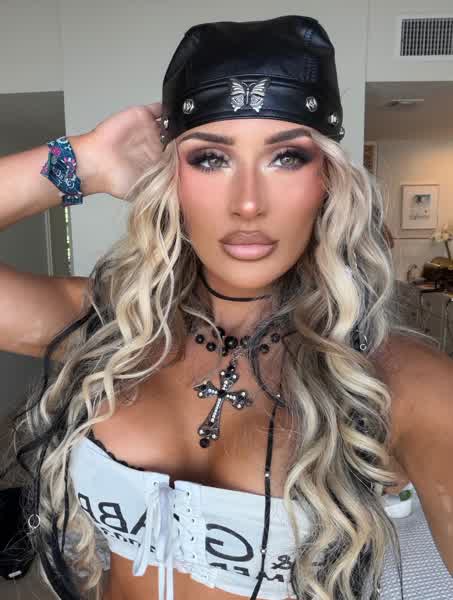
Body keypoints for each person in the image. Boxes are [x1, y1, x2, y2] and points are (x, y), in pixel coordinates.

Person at [0, 14, 452, 600]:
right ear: (171, 179)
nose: (248, 203)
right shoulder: (113, 329)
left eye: (286, 157)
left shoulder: (402, 383)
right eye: (211, 159)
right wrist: (85, 159)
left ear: (328, 181)